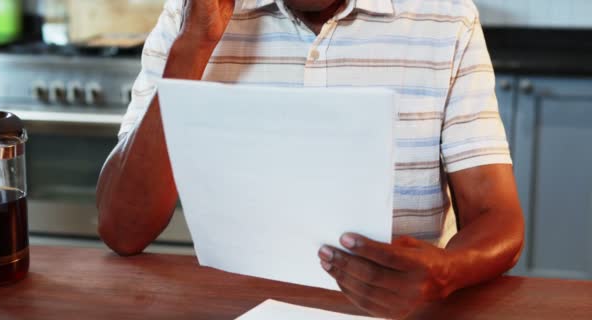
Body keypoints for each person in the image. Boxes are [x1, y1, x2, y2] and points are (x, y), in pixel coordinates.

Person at [96, 0, 524, 318]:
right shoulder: (190, 18)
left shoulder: (447, 19)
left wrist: (445, 272)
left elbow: (496, 215)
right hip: (229, 307)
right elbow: (123, 230)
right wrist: (194, 45)